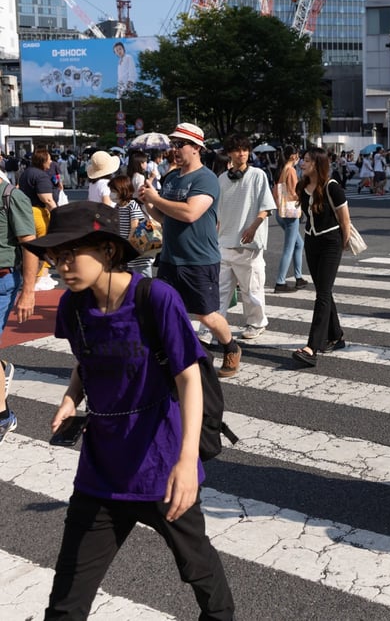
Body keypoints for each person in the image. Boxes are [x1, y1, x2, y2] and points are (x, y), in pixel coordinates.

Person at [25, 202, 235, 620]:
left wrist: (187, 460)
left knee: (198, 571)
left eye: (70, 253)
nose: (61, 265)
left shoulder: (154, 297)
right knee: (67, 598)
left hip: (160, 464)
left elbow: (189, 378)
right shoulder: (73, 306)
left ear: (106, 250)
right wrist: (72, 396)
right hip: (100, 470)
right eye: (55, 256)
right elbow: (86, 360)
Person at [137, 122, 243, 378]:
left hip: (199, 260)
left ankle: (231, 346)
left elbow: (190, 213)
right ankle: (173, 358)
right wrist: (147, 202)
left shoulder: (206, 178)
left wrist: (156, 199)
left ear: (196, 148)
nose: (175, 149)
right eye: (173, 144)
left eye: (180, 144)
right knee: (164, 310)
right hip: (171, 259)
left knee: (206, 315)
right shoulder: (172, 178)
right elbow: (164, 217)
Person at [292, 147, 350, 367]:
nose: (302, 163)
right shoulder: (302, 186)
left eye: (306, 160)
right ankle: (336, 335)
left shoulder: (332, 187)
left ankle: (312, 347)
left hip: (330, 243)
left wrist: (342, 245)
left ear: (317, 164)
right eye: (302, 160)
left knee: (322, 294)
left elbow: (345, 220)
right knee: (323, 291)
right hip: (311, 242)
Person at [216, 134, 276, 341]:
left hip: (248, 244)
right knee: (220, 290)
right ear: (229, 154)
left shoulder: (258, 175)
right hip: (224, 242)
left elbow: (266, 207)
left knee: (252, 289)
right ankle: (214, 324)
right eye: (237, 150)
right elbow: (217, 211)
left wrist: (253, 227)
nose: (242, 153)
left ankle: (256, 322)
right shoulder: (221, 179)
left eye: (245, 149)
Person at [0, 177, 40, 444]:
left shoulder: (12, 196)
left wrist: (29, 290)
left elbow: (30, 245)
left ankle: (4, 417)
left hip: (3, 280)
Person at [20, 145, 60, 290]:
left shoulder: (27, 173)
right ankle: (39, 278)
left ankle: (40, 276)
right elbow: (47, 199)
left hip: (25, 211)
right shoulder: (41, 176)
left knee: (30, 246)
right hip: (38, 213)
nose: (50, 162)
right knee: (44, 245)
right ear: (43, 161)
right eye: (49, 160)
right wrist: (57, 214)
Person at [272, 145, 307, 293]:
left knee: (299, 244)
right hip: (290, 214)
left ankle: (298, 278)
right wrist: (303, 198)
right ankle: (280, 282)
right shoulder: (291, 170)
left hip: (281, 212)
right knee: (289, 248)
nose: (299, 157)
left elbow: (276, 192)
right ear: (293, 156)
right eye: (298, 154)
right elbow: (293, 193)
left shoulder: (281, 170)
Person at [109, 174, 154, 278]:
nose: (111, 194)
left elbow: (135, 226)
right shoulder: (118, 207)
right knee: (129, 277)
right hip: (126, 250)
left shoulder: (132, 205)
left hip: (137, 249)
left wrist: (128, 243)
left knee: (143, 277)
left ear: (123, 190)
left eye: (114, 191)